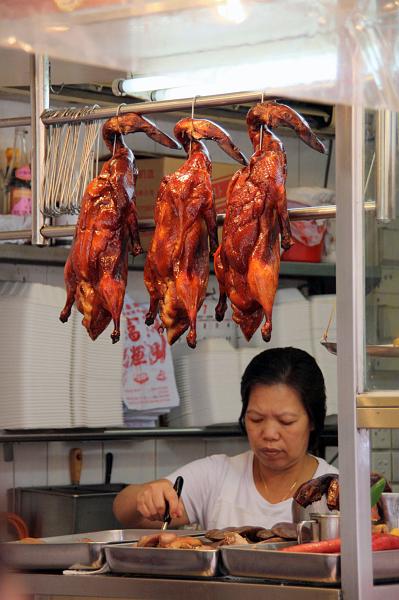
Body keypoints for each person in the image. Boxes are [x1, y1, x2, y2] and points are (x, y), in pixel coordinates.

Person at [113, 347, 338, 530]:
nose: (269, 434)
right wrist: (146, 495)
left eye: (286, 421)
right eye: (256, 419)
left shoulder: (337, 490)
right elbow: (124, 510)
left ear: (313, 421)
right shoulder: (218, 475)